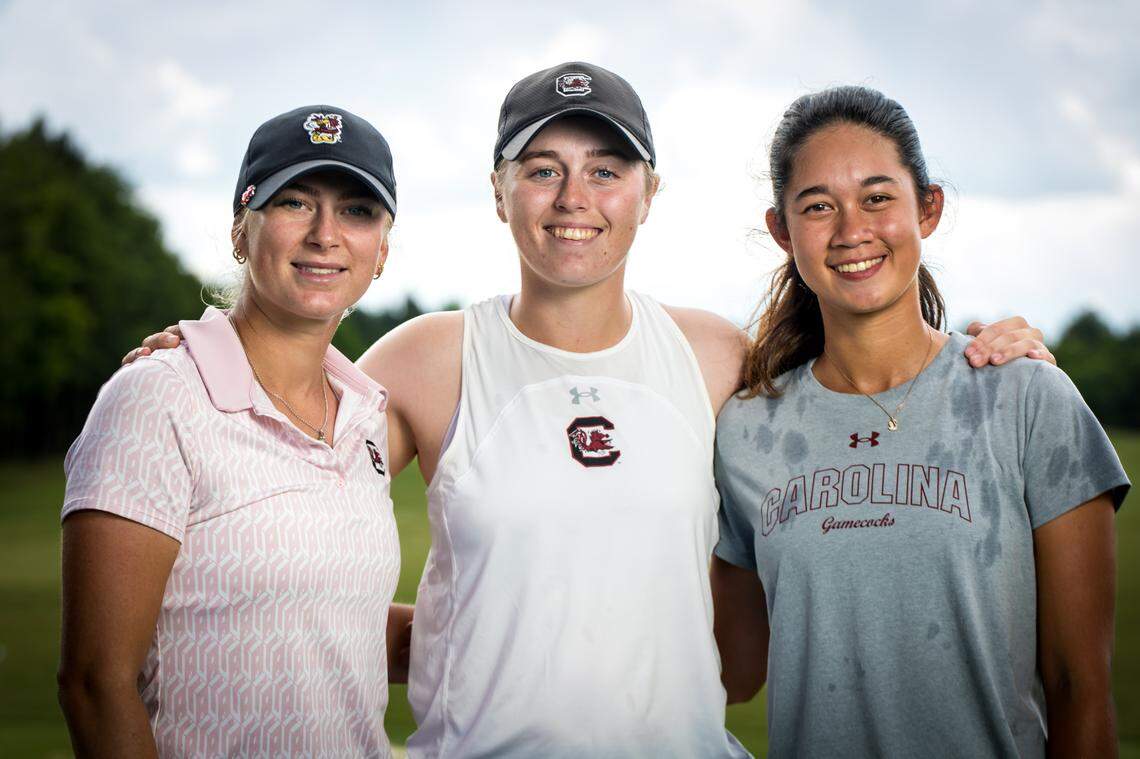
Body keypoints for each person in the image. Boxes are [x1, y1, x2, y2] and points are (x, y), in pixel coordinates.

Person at [124, 64, 1053, 757]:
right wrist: (202, 348)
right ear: (498, 191)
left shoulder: (719, 355)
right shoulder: (421, 361)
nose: (575, 199)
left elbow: (880, 366)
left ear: (650, 193)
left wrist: (999, 347)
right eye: (542, 169)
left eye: (607, 169)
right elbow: (292, 439)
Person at [710, 85, 1130, 758]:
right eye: (818, 206)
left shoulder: (1028, 398)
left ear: (927, 209)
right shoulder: (743, 431)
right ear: (783, 230)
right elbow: (734, 672)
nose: (852, 230)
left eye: (878, 197)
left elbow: (1079, 686)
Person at [58, 106, 403, 757]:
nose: (325, 233)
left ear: (380, 250)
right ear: (242, 232)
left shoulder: (366, 417)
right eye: (294, 202)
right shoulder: (157, 397)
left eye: (357, 210)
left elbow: (327, 624)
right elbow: (95, 684)